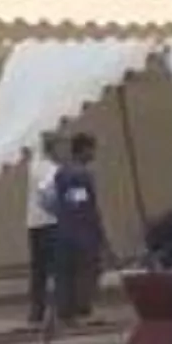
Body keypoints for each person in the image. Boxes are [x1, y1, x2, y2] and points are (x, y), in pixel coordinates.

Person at [50, 132, 111, 326]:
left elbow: (62, 202)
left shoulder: (61, 172)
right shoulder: (80, 175)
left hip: (64, 228)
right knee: (86, 271)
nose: (94, 154)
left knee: (66, 273)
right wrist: (98, 230)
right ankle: (81, 310)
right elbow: (81, 205)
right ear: (83, 149)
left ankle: (66, 312)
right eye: (92, 149)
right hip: (81, 230)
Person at [25, 133, 60, 325]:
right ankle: (55, 310)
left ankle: (36, 311)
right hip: (50, 223)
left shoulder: (33, 166)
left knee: (38, 270)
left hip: (34, 223)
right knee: (54, 268)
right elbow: (47, 194)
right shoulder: (49, 169)